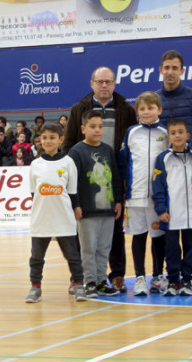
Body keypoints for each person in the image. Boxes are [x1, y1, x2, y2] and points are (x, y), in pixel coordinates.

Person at [63, 66, 137, 294]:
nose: (104, 85)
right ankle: (82, 278)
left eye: (108, 82)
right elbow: (68, 146)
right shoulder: (79, 109)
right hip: (86, 185)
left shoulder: (125, 109)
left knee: (114, 233)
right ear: (92, 83)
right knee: (84, 238)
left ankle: (115, 276)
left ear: (114, 84)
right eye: (100, 81)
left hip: (113, 179)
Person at [156, 50, 192, 291]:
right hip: (167, 169)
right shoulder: (154, 100)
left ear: (182, 71)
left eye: (174, 68)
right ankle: (169, 275)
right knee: (169, 229)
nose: (170, 72)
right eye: (166, 67)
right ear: (160, 70)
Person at [25, 123, 86, 303]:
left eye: (52, 137)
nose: (48, 141)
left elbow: (73, 191)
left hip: (63, 217)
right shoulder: (35, 164)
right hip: (41, 217)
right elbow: (33, 193)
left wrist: (77, 207)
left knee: (73, 256)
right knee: (36, 257)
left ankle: (78, 284)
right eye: (44, 138)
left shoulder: (68, 162)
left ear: (60, 140)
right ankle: (35, 288)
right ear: (39, 140)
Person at [118, 91, 169, 296]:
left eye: (150, 108)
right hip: (135, 195)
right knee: (138, 236)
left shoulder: (166, 133)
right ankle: (140, 277)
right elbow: (123, 163)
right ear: (136, 111)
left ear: (159, 110)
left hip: (158, 197)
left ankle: (157, 277)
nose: (146, 112)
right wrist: (124, 191)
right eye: (142, 108)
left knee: (159, 237)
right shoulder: (131, 132)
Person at [68, 110, 123, 298]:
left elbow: (115, 176)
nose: (97, 130)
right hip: (86, 210)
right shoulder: (76, 152)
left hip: (107, 209)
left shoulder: (107, 150)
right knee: (88, 248)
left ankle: (100, 281)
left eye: (100, 126)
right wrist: (75, 204)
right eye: (92, 126)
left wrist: (117, 200)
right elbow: (71, 181)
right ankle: (89, 281)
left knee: (103, 247)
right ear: (83, 129)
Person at [152, 119, 192, 296]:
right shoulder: (163, 158)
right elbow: (157, 185)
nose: (177, 135)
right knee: (172, 249)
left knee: (190, 249)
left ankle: (186, 281)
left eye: (180, 132)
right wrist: (161, 209)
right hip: (171, 213)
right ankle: (173, 280)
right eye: (173, 133)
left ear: (187, 135)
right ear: (169, 137)